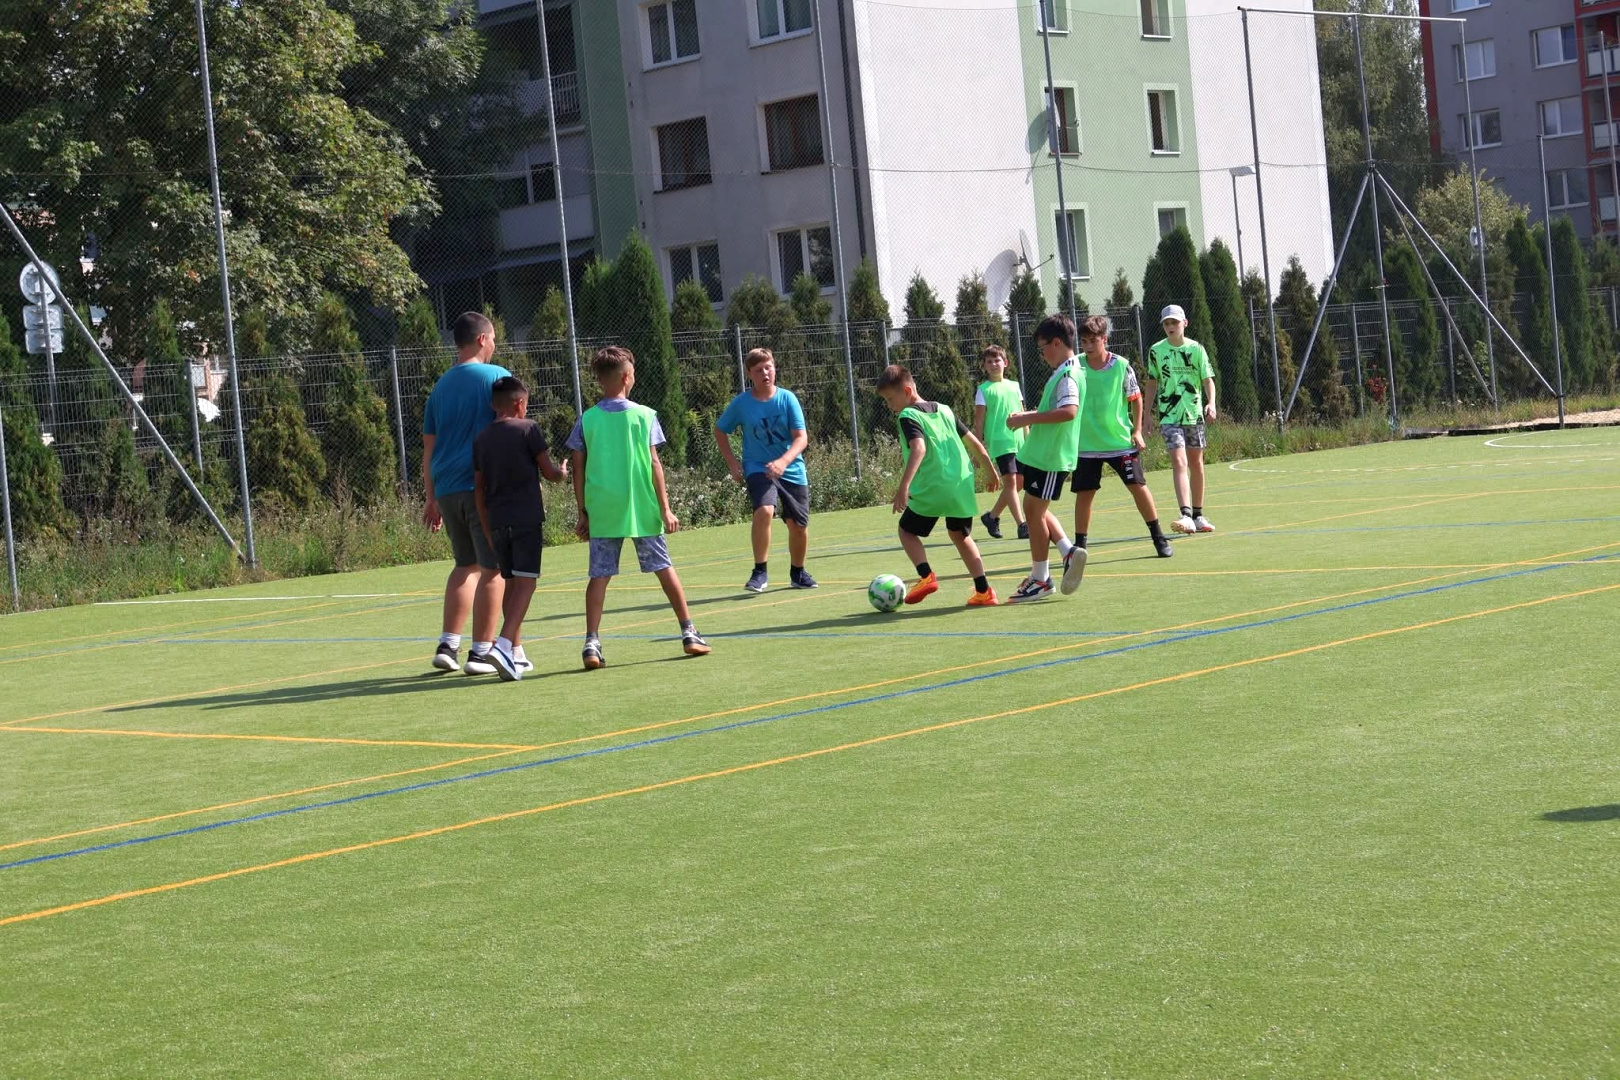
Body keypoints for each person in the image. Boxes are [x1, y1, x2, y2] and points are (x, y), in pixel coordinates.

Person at [569, 346, 711, 670]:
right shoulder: (645, 415)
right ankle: (689, 631)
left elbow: (578, 468)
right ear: (626, 377)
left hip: (603, 510)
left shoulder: (587, 420)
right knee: (664, 568)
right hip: (641, 508)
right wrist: (666, 508)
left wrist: (582, 511)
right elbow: (654, 463)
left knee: (599, 576)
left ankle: (591, 642)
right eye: (632, 373)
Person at [422, 311, 511, 675]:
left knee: (465, 565)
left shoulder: (439, 388)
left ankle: (448, 645)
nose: (495, 346)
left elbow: (429, 449)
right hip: (482, 486)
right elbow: (511, 430)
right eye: (494, 339)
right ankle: (481, 653)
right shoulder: (497, 377)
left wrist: (430, 497)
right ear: (481, 339)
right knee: (494, 569)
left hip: (447, 487)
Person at [877, 365, 999, 607]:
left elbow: (919, 448)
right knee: (960, 534)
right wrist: (990, 471)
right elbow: (974, 443)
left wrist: (903, 487)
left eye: (890, 399)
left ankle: (926, 576)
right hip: (961, 483)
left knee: (906, 531)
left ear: (907, 391)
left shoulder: (908, 416)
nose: (889, 405)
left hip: (933, 486)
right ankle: (984, 591)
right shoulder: (945, 410)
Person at [473, 375, 569, 681]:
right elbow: (549, 473)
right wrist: (563, 472)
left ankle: (515, 653)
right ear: (519, 403)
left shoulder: (481, 439)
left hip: (497, 522)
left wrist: (487, 529)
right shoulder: (528, 429)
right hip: (526, 518)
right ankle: (503, 644)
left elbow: (479, 490)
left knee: (511, 583)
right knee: (527, 583)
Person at [1070, 316, 1173, 566]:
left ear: (1104, 339)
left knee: (1138, 486)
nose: (1088, 346)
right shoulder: (1075, 365)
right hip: (1086, 445)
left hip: (1119, 442)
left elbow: (1135, 398)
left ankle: (1158, 537)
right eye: (1084, 341)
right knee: (1084, 494)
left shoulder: (1121, 365)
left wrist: (1137, 431)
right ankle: (1080, 548)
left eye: (1093, 340)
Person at [714, 347, 816, 593]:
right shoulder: (742, 404)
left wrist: (783, 462)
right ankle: (759, 572)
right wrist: (733, 463)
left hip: (791, 468)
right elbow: (720, 430)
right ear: (750, 374)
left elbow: (801, 438)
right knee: (764, 510)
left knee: (798, 525)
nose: (765, 373)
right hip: (757, 467)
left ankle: (798, 573)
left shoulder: (787, 399)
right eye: (758, 370)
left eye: (768, 367)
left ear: (775, 368)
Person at [1006, 314, 1086, 603]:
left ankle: (1041, 578)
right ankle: (1067, 552)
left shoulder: (1068, 375)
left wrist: (1027, 417)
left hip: (1052, 455)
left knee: (1035, 512)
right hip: (1044, 455)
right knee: (1033, 508)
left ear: (1056, 343)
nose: (1042, 355)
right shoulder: (1065, 371)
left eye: (1043, 348)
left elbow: (1069, 411)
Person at [1145, 304, 1218, 535]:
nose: (1171, 326)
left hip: (1194, 414)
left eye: (1175, 322)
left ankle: (1198, 515)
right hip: (1169, 415)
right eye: (1167, 323)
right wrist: (1146, 415)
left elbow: (1207, 379)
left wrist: (1211, 403)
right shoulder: (1156, 351)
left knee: (1196, 463)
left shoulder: (1196, 349)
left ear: (1184, 323)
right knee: (1179, 461)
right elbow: (1152, 382)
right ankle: (1185, 515)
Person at [973, 345, 1027, 541]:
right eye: (989, 361)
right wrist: (977, 451)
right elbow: (979, 422)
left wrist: (1029, 439)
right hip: (1001, 442)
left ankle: (992, 516)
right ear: (984, 366)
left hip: (1019, 441)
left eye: (997, 360)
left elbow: (1023, 414)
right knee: (1011, 482)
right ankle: (1022, 525)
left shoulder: (1014, 386)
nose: (994, 364)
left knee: (1019, 483)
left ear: (1005, 362)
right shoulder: (983, 390)